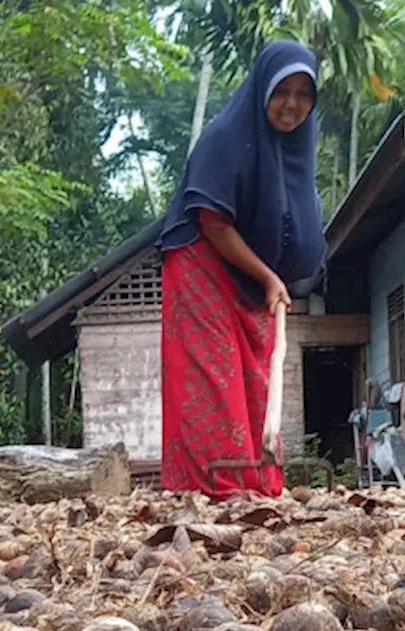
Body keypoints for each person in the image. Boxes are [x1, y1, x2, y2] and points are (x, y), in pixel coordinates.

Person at [156, 40, 326, 500]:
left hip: (250, 278)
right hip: (201, 263)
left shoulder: (295, 151)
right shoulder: (225, 139)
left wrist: (275, 277)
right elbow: (212, 222)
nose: (291, 104)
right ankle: (216, 487)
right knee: (216, 375)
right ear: (260, 92)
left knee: (255, 374)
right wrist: (271, 277)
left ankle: (259, 481)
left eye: (302, 94)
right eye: (281, 92)